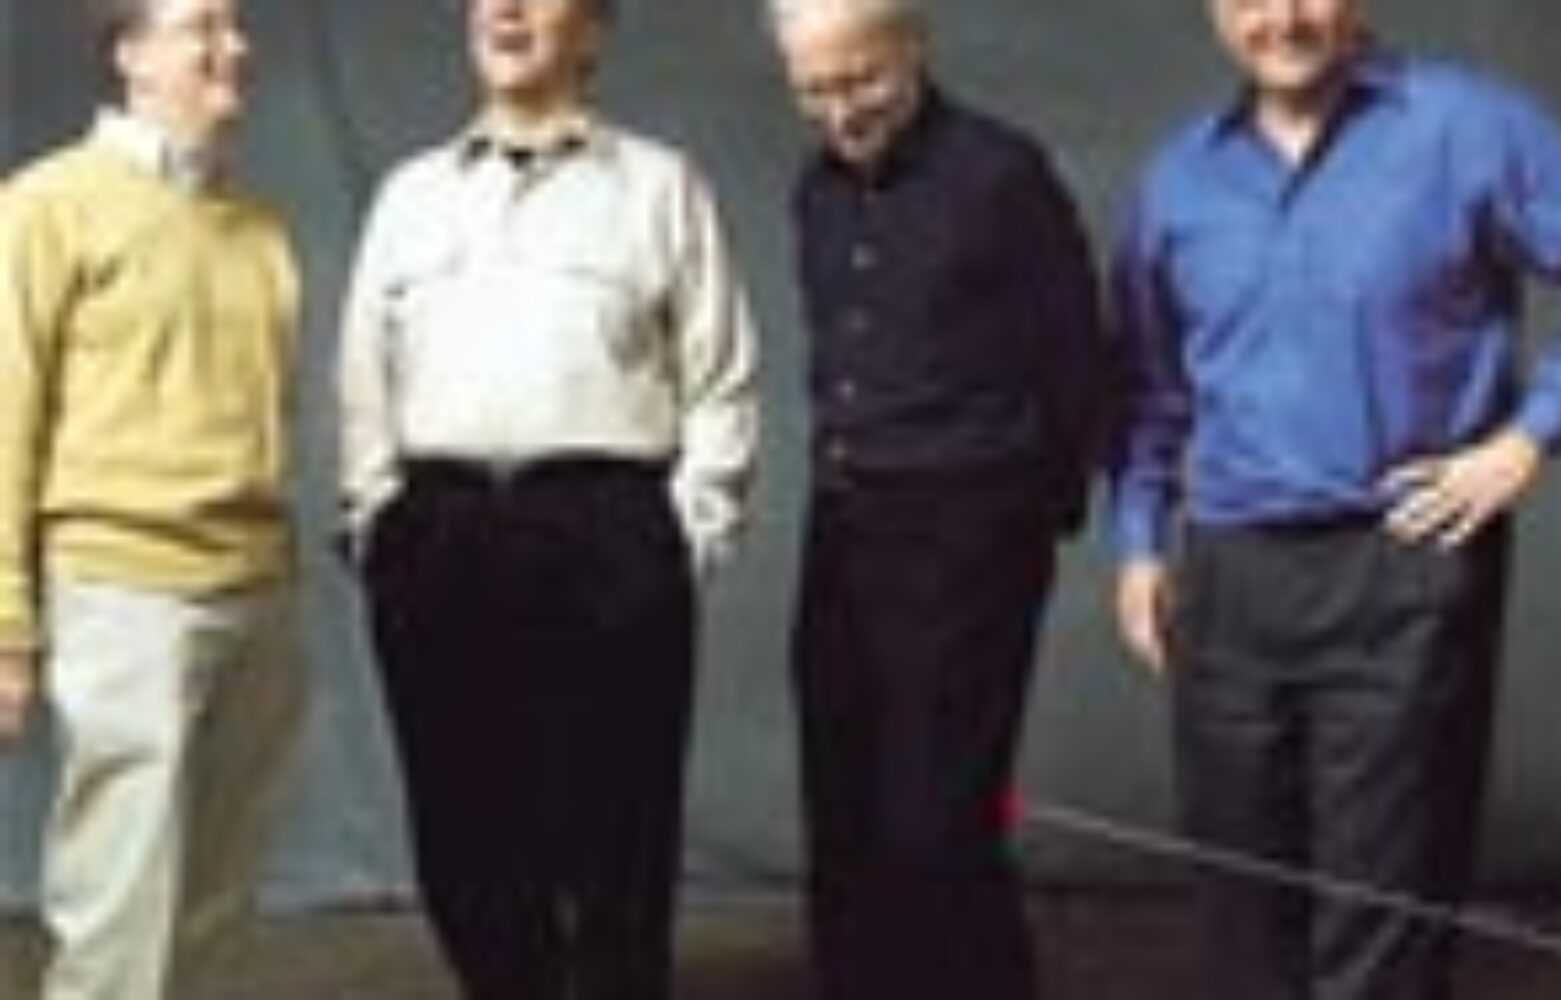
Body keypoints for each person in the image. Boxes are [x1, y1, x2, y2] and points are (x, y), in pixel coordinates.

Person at [1109, 1, 1561, 998]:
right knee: (1242, 912)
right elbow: (1148, 390)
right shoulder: (1177, 180)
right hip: (1227, 577)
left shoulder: (1465, 126)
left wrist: (1529, 438)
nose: (1280, 18)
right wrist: (1138, 545)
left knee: (1382, 920)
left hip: (1401, 565)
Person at [336, 0, 759, 996]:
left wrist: (686, 534)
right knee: (465, 837)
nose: (506, 9)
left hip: (606, 532)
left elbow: (721, 376)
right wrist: (376, 521)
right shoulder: (408, 196)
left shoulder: (660, 185)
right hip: (441, 534)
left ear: (594, 30)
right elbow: (362, 379)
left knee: (618, 835)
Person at [767, 1, 1105, 997]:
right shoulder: (813, 191)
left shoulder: (1002, 176)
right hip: (844, 527)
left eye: (861, 80)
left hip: (967, 538)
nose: (841, 111)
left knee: (938, 825)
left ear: (912, 48)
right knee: (841, 807)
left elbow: (1076, 358)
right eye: (815, 90)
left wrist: (1015, 523)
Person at [0, 0, 306, 996]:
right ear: (131, 54)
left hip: (259, 596)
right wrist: (6, 624)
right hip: (124, 596)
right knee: (118, 919)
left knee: (218, 910)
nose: (234, 47)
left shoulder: (262, 231)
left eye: (236, 26)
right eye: (201, 27)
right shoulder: (45, 207)